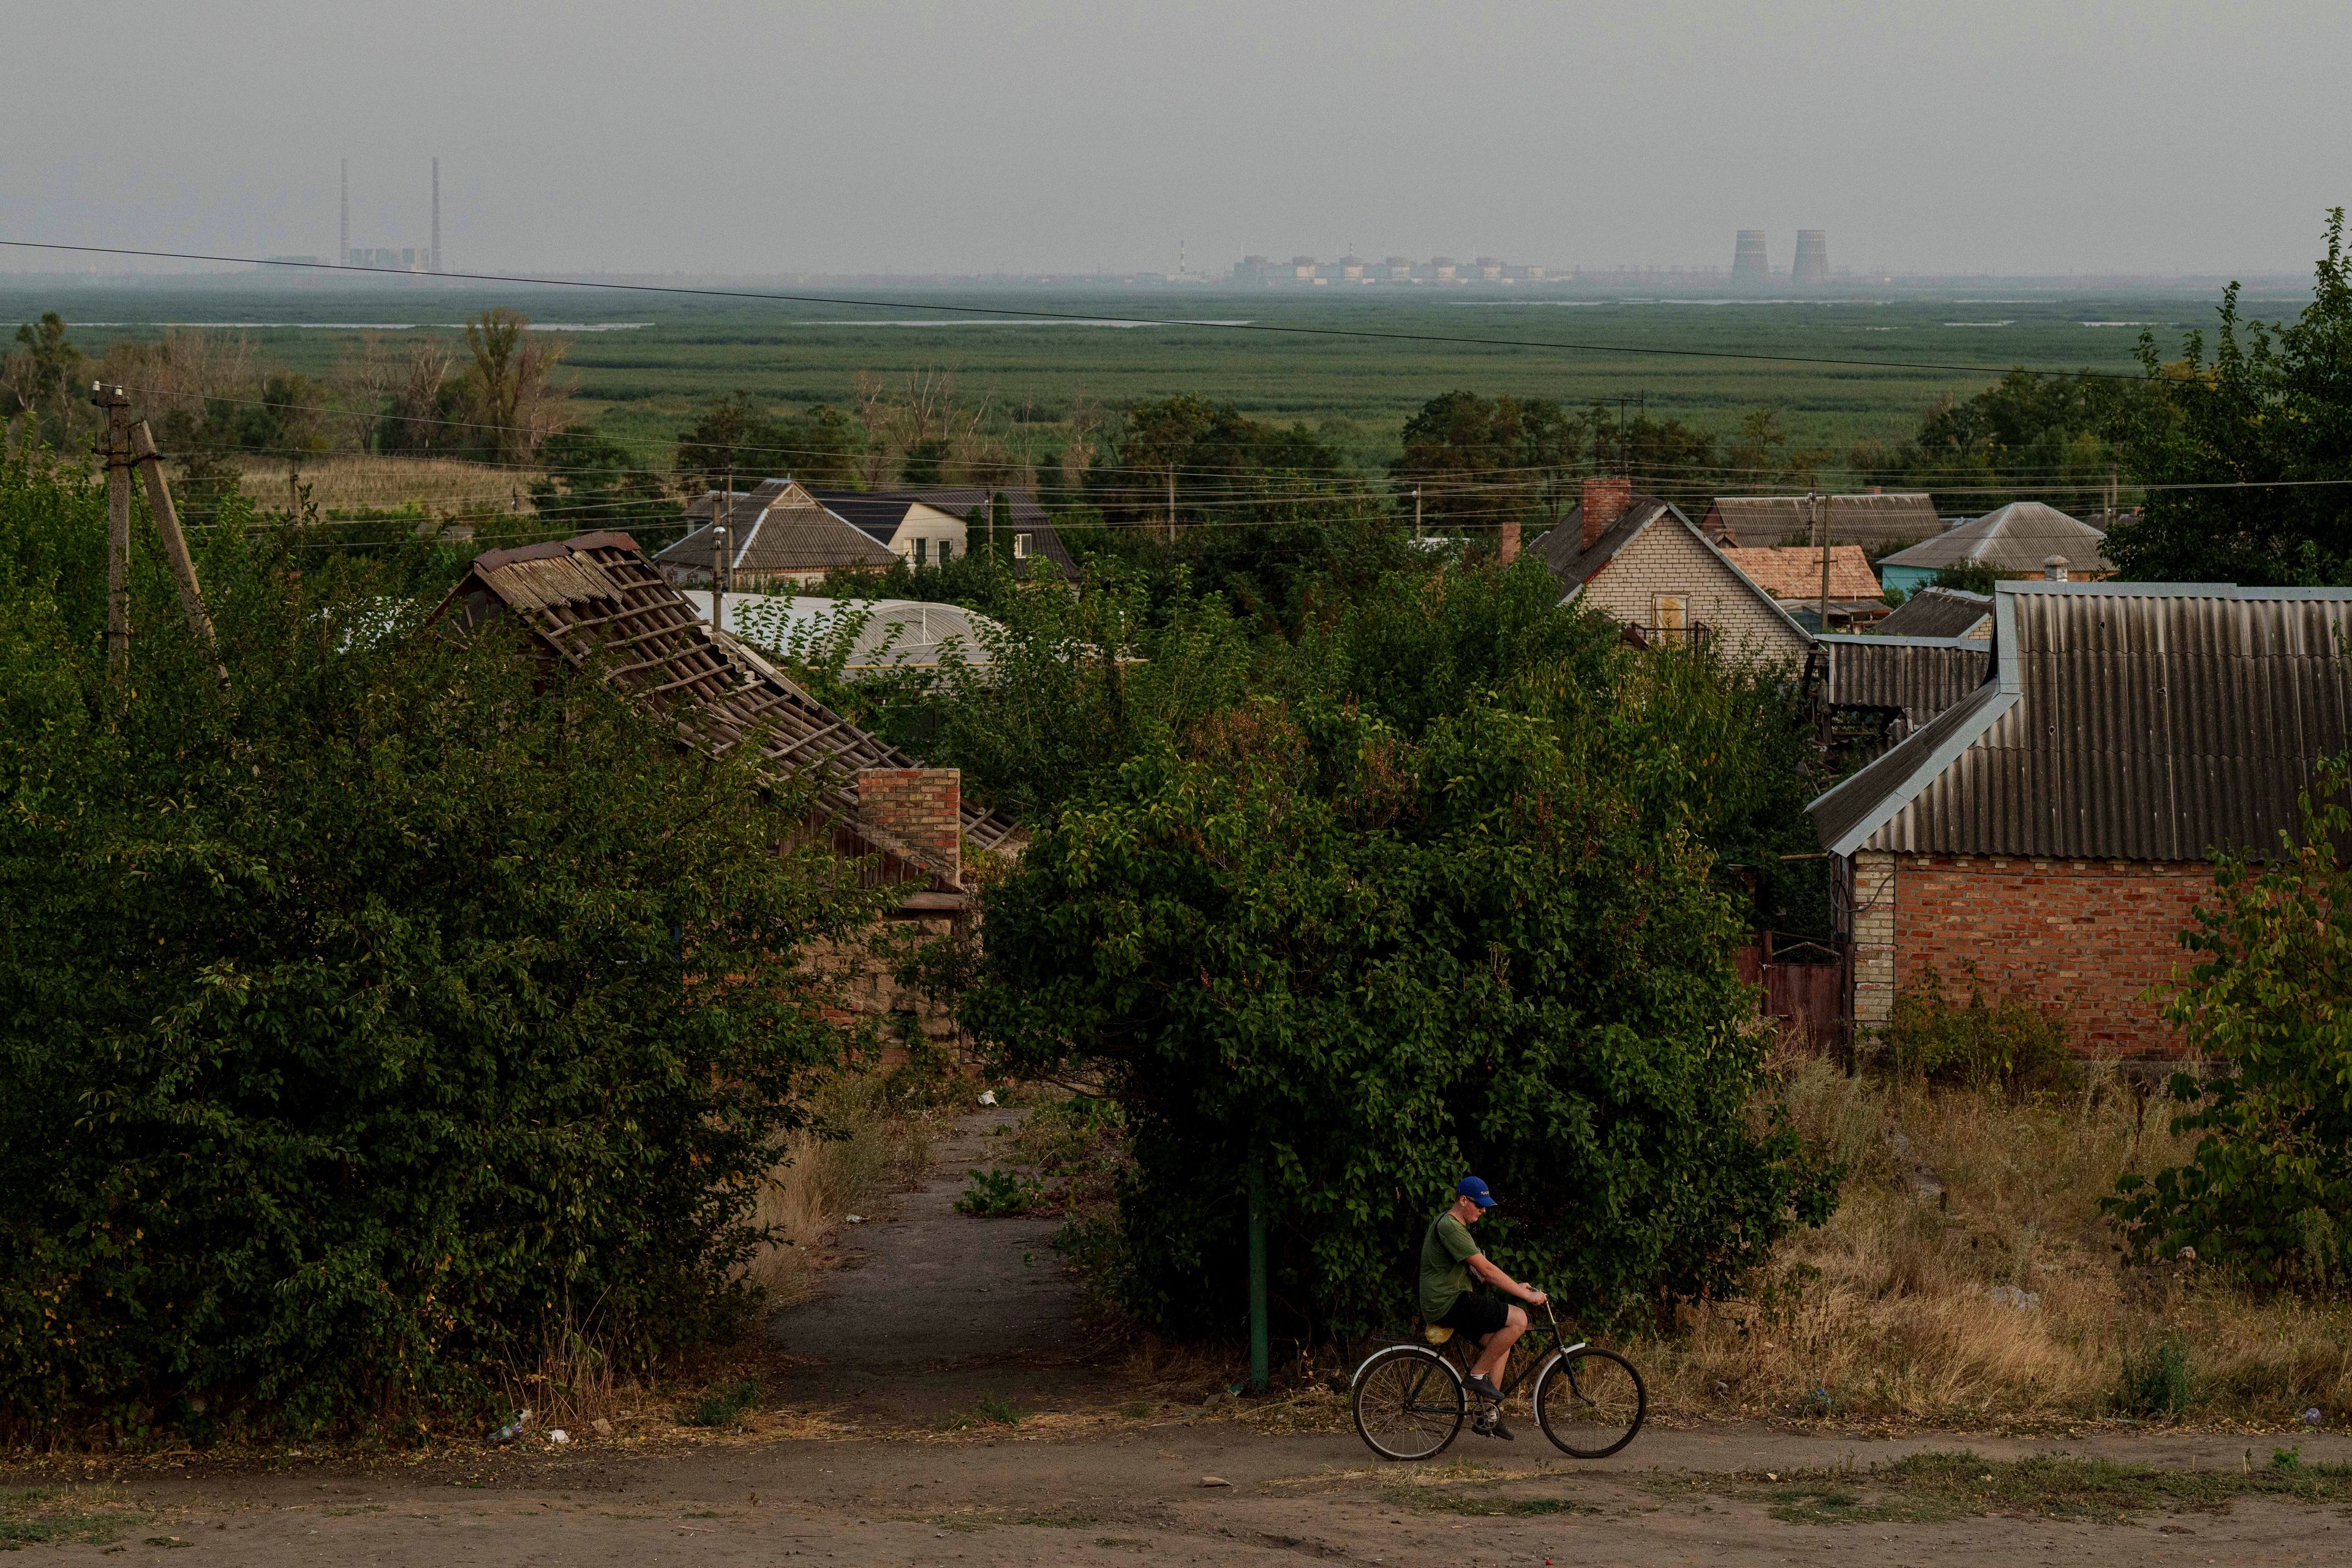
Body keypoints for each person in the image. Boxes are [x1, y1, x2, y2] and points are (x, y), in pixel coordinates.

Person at [1419, 1175, 1547, 1440]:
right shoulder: (1451, 1226)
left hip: (1451, 1300)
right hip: (1449, 1301)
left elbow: (1478, 1271)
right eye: (1479, 1205)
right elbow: (1487, 1271)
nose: (1484, 1210)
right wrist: (1525, 1296)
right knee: (1519, 1320)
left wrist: (1517, 1286)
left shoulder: (1455, 1227)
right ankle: (1477, 1376)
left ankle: (1488, 1416)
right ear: (1463, 1200)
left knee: (1500, 1342)